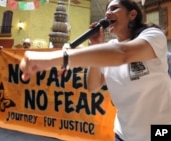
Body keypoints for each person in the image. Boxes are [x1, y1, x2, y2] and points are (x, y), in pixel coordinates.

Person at [19, 0, 171, 141]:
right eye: (107, 10)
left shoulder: (152, 36)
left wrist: (54, 59)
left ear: (132, 14)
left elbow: (123, 54)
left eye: (114, 8)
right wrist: (96, 46)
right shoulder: (108, 49)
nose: (107, 14)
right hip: (123, 134)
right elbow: (93, 86)